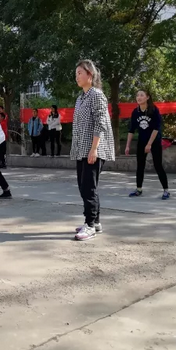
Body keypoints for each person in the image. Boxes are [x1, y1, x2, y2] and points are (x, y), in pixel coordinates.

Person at [71, 59, 115, 241]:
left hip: (94, 149)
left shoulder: (97, 95)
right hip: (82, 149)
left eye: (80, 73)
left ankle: (89, 225)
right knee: (85, 186)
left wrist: (94, 149)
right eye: (76, 74)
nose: (77, 77)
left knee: (88, 187)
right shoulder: (81, 98)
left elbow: (100, 123)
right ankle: (95, 222)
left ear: (90, 75)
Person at [125, 89, 170, 201]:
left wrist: (149, 144)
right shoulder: (135, 112)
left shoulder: (154, 110)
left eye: (142, 95)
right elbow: (131, 130)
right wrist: (127, 145)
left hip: (154, 141)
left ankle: (166, 190)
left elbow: (156, 128)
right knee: (140, 165)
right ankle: (139, 189)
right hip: (142, 141)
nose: (139, 97)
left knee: (158, 165)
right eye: (137, 95)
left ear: (147, 97)